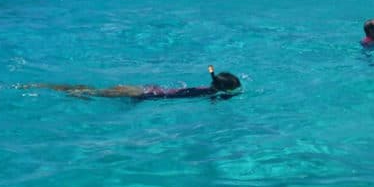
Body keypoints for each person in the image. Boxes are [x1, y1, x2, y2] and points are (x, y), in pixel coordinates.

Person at [20, 65, 241, 100]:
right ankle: (43, 87)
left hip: (147, 90)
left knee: (93, 91)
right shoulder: (207, 94)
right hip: (142, 94)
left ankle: (44, 85)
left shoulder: (205, 89)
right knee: (91, 93)